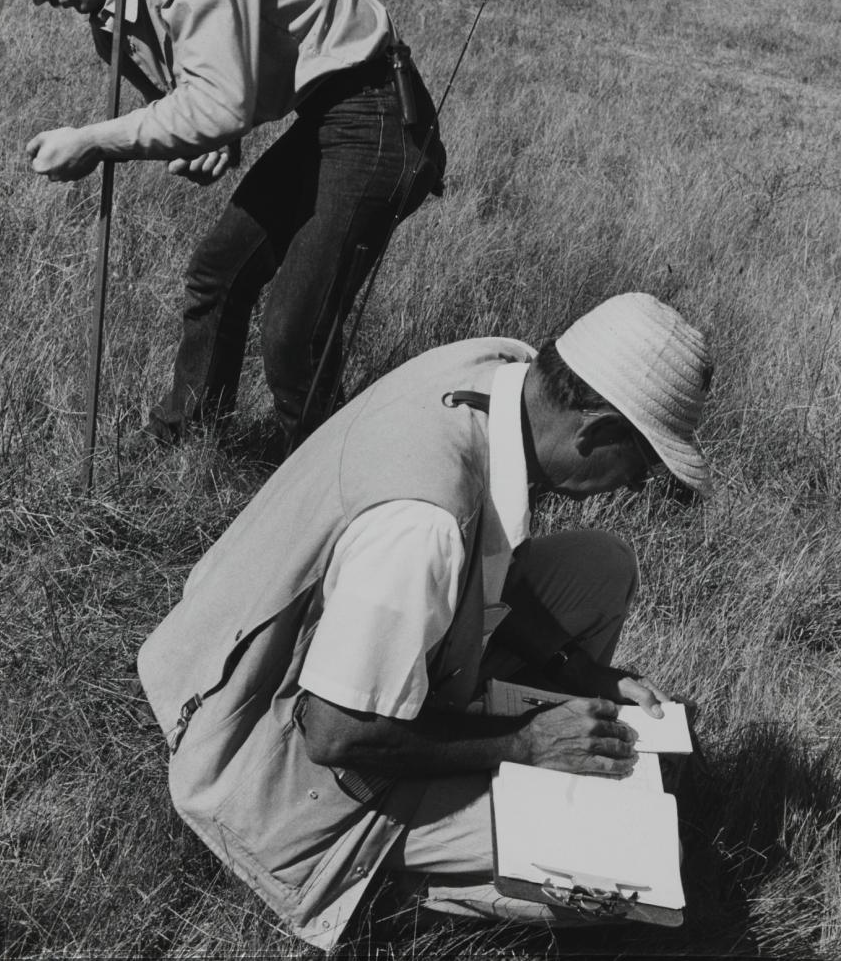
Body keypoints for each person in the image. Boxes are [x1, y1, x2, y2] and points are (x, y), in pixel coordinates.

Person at [137, 292, 714, 951]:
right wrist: (524, 742)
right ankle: (374, 882)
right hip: (263, 760)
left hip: (231, 651)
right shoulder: (423, 525)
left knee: (600, 568)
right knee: (607, 871)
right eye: (642, 464)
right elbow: (337, 734)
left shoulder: (499, 373)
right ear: (596, 433)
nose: (636, 486)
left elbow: (483, 559)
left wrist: (582, 673)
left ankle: (466, 764)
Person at [0, 0, 445, 451]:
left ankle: (322, 488)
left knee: (295, 330)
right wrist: (217, 140)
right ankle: (188, 439)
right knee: (218, 273)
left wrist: (94, 141)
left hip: (377, 111)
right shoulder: (112, 25)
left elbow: (217, 105)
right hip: (324, 116)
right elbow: (201, 107)